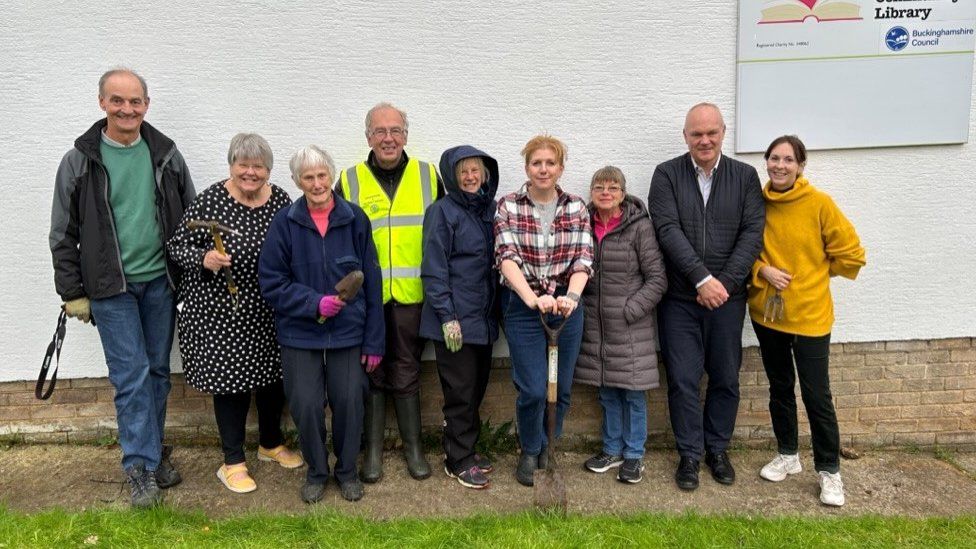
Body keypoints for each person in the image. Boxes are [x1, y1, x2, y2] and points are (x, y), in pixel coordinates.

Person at [49, 68, 194, 508]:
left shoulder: (166, 154)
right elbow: (62, 232)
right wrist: (71, 291)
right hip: (111, 289)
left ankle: (150, 456)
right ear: (102, 103)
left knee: (156, 376)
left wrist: (187, 277)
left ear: (146, 105)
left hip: (159, 284)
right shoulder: (80, 160)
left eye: (134, 102)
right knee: (130, 379)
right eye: (117, 101)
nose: (126, 109)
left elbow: (186, 218)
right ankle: (139, 467)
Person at [167, 133, 302, 494]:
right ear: (232, 166)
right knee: (232, 383)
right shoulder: (211, 201)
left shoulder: (281, 202)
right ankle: (232, 462)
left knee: (274, 378)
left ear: (268, 170)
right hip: (219, 313)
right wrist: (204, 258)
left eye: (258, 166)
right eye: (243, 165)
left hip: (268, 308)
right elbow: (176, 247)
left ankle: (271, 444)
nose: (250, 172)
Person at [648, 103, 765, 491]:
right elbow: (667, 229)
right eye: (696, 133)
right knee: (682, 379)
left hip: (728, 300)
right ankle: (689, 455)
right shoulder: (666, 175)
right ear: (685, 136)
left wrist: (724, 284)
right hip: (680, 299)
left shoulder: (745, 177)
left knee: (725, 377)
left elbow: (752, 233)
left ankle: (717, 449)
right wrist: (700, 279)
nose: (704, 140)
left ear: (723, 133)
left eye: (711, 132)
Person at [258, 145, 384, 503]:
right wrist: (315, 303)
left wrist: (374, 340)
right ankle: (317, 471)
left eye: (322, 175)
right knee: (306, 404)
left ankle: (346, 471)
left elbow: (372, 281)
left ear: (332, 175)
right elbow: (271, 281)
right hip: (300, 334)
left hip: (348, 334)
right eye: (308, 177)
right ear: (298, 181)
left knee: (349, 401)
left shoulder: (355, 218)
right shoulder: (285, 223)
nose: (316, 183)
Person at [749, 135, 866, 507]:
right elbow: (742, 247)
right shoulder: (758, 203)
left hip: (811, 317)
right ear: (766, 162)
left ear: (800, 165)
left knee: (817, 395)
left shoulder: (819, 203)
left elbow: (851, 253)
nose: (779, 165)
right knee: (780, 388)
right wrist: (761, 270)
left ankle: (829, 471)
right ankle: (788, 454)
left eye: (788, 159)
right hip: (768, 315)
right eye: (773, 158)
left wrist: (817, 273)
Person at [334, 102, 444, 483]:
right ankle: (374, 453)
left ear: (406, 135)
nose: (388, 138)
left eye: (395, 130)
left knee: (408, 369)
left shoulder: (430, 175)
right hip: (368, 298)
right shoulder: (349, 181)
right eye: (380, 131)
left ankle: (414, 449)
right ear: (368, 137)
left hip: (414, 295)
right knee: (372, 370)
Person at [495, 135, 593, 487]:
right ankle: (530, 448)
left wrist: (572, 297)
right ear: (527, 167)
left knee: (561, 387)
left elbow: (583, 259)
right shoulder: (508, 206)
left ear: (561, 168)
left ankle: (550, 446)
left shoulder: (576, 207)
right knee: (535, 389)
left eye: (550, 163)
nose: (543, 169)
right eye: (537, 163)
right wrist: (531, 297)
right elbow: (506, 260)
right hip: (524, 308)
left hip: (566, 309)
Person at [576, 166, 667, 485]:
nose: (605, 192)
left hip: (630, 327)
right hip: (595, 326)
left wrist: (631, 310)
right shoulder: (581, 223)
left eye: (613, 188)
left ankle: (634, 455)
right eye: (599, 187)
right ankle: (612, 449)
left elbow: (657, 279)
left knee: (632, 394)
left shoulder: (639, 227)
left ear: (623, 194)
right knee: (607, 392)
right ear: (591, 192)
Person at [420, 145, 500, 490]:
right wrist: (446, 317)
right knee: (460, 392)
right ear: (452, 176)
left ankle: (465, 446)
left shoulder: (489, 210)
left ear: (484, 174)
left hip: (482, 318)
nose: (470, 177)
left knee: (477, 388)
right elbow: (434, 268)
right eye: (463, 171)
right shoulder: (442, 212)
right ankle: (458, 459)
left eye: (475, 171)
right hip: (454, 322)